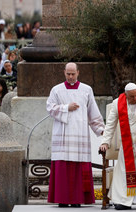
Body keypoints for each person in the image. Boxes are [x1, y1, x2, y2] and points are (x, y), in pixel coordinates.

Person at [46, 62, 105, 207]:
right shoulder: (56, 90)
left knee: (79, 168)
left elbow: (93, 112)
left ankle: (78, 199)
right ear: (64, 72)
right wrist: (67, 108)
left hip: (80, 135)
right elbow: (50, 108)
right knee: (63, 167)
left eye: (73, 74)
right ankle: (63, 199)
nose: (71, 77)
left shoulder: (86, 89)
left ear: (78, 72)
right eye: (68, 74)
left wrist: (102, 130)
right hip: (63, 135)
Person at [99, 83, 136, 210]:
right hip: (127, 146)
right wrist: (105, 142)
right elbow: (110, 124)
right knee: (124, 173)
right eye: (131, 97)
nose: (135, 99)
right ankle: (123, 201)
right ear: (125, 95)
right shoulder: (117, 103)